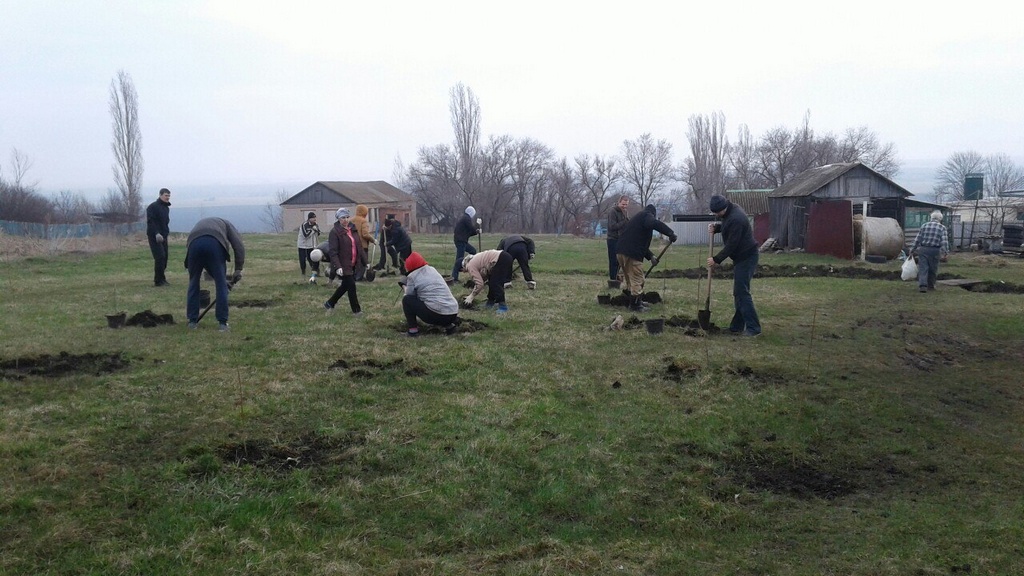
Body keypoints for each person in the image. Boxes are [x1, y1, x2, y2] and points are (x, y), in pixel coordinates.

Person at [707, 194, 761, 336]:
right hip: (741, 258)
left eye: (717, 213)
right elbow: (727, 225)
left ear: (723, 208)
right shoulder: (730, 211)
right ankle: (737, 327)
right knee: (739, 292)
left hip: (747, 257)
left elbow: (732, 244)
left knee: (742, 292)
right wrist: (717, 228)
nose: (716, 215)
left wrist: (716, 259)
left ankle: (754, 329)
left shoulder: (736, 218)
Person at [184, 217, 245, 331]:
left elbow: (205, 260)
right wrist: (238, 269)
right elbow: (238, 246)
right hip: (214, 244)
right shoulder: (228, 225)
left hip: (194, 244)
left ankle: (192, 322)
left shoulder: (203, 223)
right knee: (220, 285)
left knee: (193, 282)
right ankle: (222, 323)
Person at [616, 204, 677, 312]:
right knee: (638, 279)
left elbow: (637, 241)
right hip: (631, 253)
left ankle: (635, 300)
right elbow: (654, 223)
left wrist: (651, 256)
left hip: (621, 251)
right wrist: (670, 233)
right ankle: (635, 306)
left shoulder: (637, 219)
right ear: (653, 213)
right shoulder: (647, 216)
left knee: (630, 279)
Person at [401, 251, 459, 337]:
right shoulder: (432, 269)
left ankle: (413, 331)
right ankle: (449, 326)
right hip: (453, 312)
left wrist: (403, 286)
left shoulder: (412, 276)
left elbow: (409, 295)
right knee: (436, 301)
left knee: (406, 300)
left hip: (436, 315)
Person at [324, 208, 364, 315]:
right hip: (343, 264)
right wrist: (338, 266)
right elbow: (333, 252)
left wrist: (365, 261)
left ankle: (330, 303)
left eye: (347, 217)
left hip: (353, 263)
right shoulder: (335, 232)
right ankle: (356, 311)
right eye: (342, 218)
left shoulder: (352, 229)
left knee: (345, 285)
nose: (345, 220)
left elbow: (358, 246)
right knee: (351, 286)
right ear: (338, 219)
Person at [461, 249, 514, 314]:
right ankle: (490, 302)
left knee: (496, 283)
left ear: (463, 267)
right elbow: (483, 278)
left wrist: (471, 296)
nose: (464, 272)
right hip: (504, 256)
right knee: (492, 282)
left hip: (501, 258)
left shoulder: (470, 265)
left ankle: (502, 306)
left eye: (462, 270)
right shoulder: (475, 260)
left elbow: (480, 283)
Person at [910, 210, 950, 293]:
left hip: (923, 249)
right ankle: (931, 285)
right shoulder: (942, 228)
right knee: (933, 268)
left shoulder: (924, 226)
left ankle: (923, 285)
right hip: (935, 250)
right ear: (940, 218)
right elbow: (944, 241)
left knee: (923, 268)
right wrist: (945, 252)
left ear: (931, 217)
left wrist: (912, 249)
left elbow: (918, 239)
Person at [146, 188, 171, 286]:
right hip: (154, 236)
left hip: (164, 236)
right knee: (160, 256)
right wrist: (156, 233)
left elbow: (165, 223)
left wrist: (165, 233)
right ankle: (158, 281)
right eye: (166, 195)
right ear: (160, 195)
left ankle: (162, 278)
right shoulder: (153, 207)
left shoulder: (166, 208)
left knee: (165, 258)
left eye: (169, 196)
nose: (167, 198)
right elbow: (151, 222)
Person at [452, 206, 481, 283]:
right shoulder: (466, 219)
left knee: (473, 251)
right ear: (471, 213)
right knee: (459, 259)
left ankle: (468, 265)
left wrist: (477, 232)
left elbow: (468, 232)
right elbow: (471, 229)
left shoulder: (465, 218)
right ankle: (454, 278)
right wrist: (477, 224)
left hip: (462, 240)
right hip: (461, 241)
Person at [606, 195, 630, 285]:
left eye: (626, 204)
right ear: (619, 202)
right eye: (623, 204)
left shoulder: (625, 212)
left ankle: (617, 277)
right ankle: (613, 280)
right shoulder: (613, 211)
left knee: (620, 260)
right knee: (613, 260)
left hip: (621, 239)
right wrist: (624, 222)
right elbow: (612, 226)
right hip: (613, 239)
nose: (624, 206)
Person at [351, 204, 376, 281]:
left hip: (352, 245)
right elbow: (365, 234)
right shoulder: (363, 221)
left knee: (354, 261)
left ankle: (353, 276)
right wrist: (373, 240)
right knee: (363, 262)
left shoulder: (351, 220)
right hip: (362, 245)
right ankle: (359, 277)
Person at [296, 211, 321, 282]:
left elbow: (318, 233)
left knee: (312, 259)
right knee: (302, 260)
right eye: (313, 218)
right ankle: (303, 273)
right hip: (302, 245)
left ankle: (315, 272)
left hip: (311, 245)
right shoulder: (304, 225)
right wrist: (313, 230)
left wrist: (317, 230)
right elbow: (306, 235)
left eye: (315, 218)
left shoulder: (316, 224)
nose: (314, 220)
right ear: (309, 219)